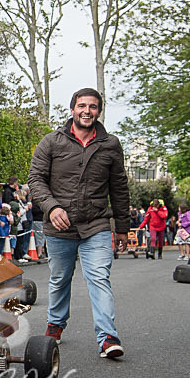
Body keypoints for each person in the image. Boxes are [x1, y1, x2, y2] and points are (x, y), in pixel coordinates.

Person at [28, 87, 130, 359]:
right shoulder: (51, 141)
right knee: (60, 278)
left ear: (99, 111)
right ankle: (55, 324)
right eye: (82, 106)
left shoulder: (111, 145)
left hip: (96, 224)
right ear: (72, 109)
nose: (87, 111)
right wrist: (51, 207)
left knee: (99, 277)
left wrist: (122, 227)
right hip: (59, 227)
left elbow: (119, 187)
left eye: (93, 107)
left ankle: (108, 338)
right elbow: (35, 179)